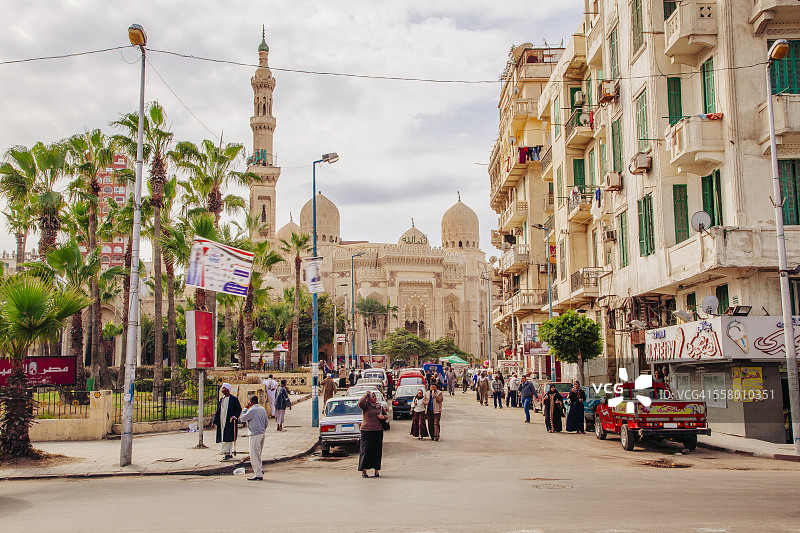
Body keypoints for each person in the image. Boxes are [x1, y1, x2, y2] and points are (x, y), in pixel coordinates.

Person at [357, 390, 388, 478]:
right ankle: (364, 471)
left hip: (378, 431)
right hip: (367, 431)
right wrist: (365, 395)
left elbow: (386, 416)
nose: (374, 398)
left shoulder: (379, 406)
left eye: (375, 397)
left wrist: (383, 417)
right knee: (366, 451)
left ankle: (376, 470)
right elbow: (360, 403)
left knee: (376, 451)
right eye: (372, 397)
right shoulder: (366, 406)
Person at [238, 395, 268, 480]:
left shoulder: (252, 410)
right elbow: (266, 423)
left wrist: (245, 409)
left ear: (251, 402)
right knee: (258, 454)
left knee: (254, 455)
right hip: (262, 433)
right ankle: (259, 470)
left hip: (255, 434)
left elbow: (243, 419)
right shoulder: (262, 409)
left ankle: (258, 474)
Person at [213, 383, 242, 460]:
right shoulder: (222, 400)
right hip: (222, 420)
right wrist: (215, 420)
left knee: (228, 436)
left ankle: (227, 453)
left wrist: (234, 416)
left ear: (228, 390)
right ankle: (227, 452)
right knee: (223, 436)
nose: (222, 390)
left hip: (229, 421)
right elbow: (218, 411)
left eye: (224, 388)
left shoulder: (233, 399)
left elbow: (239, 409)